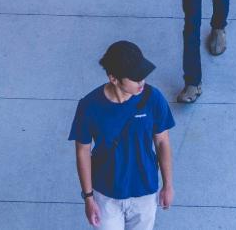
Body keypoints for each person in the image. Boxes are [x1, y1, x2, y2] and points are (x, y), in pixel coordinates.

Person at [70, 41, 176, 230]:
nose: (141, 82)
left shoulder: (153, 99)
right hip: (106, 194)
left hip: (145, 190)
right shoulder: (89, 106)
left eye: (142, 75)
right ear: (114, 78)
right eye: (135, 78)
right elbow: (82, 152)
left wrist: (168, 185)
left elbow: (162, 142)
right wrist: (88, 197)